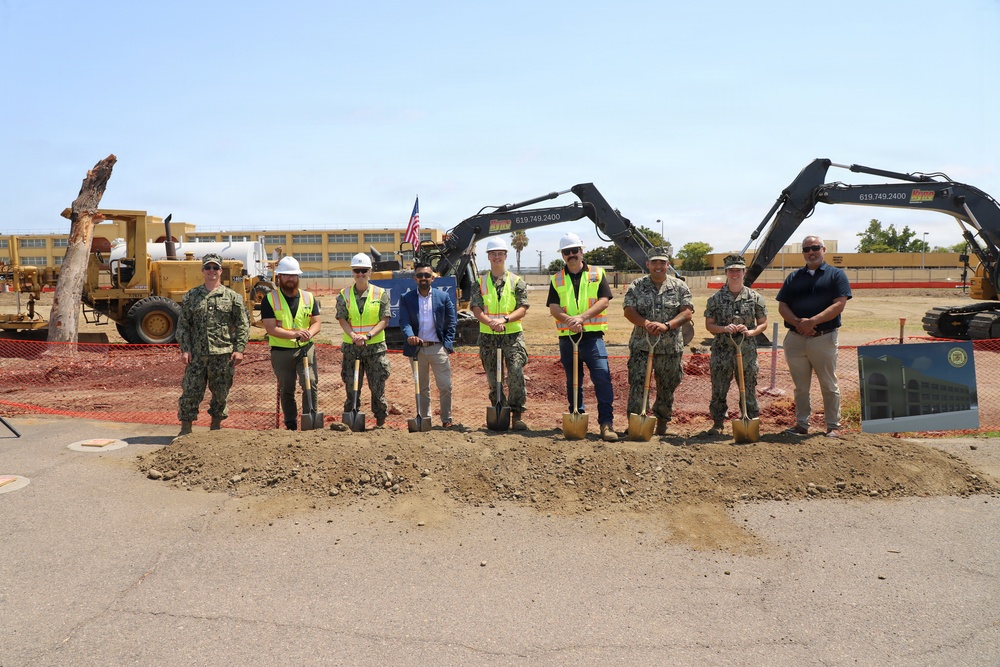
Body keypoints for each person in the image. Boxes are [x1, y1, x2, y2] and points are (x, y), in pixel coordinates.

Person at [776, 236, 852, 438]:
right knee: (801, 387)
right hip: (795, 339)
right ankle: (802, 425)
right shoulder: (794, 277)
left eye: (815, 248)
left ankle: (833, 426)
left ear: (823, 249)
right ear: (803, 252)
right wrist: (799, 324)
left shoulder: (836, 275)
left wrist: (812, 322)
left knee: (828, 384)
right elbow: (782, 305)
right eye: (807, 249)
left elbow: (839, 304)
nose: (811, 252)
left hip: (823, 338)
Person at [548, 232, 618, 442]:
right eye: (567, 252)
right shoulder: (556, 278)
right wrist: (570, 320)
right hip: (568, 339)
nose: (571, 255)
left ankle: (606, 424)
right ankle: (576, 417)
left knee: (603, 378)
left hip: (592, 337)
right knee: (573, 381)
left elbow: (604, 300)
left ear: (581, 250)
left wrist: (582, 318)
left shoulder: (597, 274)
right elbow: (553, 307)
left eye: (574, 250)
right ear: (562, 255)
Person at [622, 246, 694, 437]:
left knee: (667, 386)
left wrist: (667, 325)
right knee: (637, 384)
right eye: (654, 262)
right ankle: (636, 424)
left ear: (668, 265)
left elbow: (687, 312)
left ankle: (662, 424)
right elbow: (628, 310)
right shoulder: (637, 286)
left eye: (662, 262)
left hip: (670, 348)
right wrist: (646, 323)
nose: (658, 266)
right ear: (648, 264)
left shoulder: (679, 286)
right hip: (641, 346)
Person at [175, 253, 250, 436]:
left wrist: (239, 350)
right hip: (197, 356)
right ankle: (186, 430)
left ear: (220, 271)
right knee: (191, 392)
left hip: (222, 355)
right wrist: (185, 349)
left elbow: (242, 324)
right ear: (202, 271)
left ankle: (215, 429)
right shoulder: (192, 296)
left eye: (215, 267)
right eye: (208, 267)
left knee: (220, 394)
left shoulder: (233, 297)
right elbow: (183, 325)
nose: (212, 271)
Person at [703, 254, 768, 435]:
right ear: (726, 272)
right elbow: (709, 325)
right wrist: (724, 329)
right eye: (731, 271)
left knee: (747, 387)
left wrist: (751, 331)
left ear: (744, 272)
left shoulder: (755, 297)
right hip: (722, 351)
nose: (734, 274)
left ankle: (749, 420)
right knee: (719, 387)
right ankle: (717, 423)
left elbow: (763, 322)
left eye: (738, 270)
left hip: (746, 350)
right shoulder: (715, 299)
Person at [470, 237, 530, 430]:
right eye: (493, 254)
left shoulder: (517, 282)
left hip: (512, 336)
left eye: (500, 254)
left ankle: (517, 414)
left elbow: (522, 308)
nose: (497, 257)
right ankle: (500, 411)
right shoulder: (479, 283)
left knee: (515, 373)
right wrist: (490, 323)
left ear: (505, 256)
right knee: (493, 378)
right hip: (488, 336)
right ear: (488, 257)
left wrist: (504, 320)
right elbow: (477, 309)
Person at [260, 256, 322, 431]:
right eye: (286, 275)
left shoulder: (309, 298)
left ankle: (310, 420)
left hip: (305, 349)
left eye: (293, 275)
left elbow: (317, 323)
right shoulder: (270, 299)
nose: (290, 279)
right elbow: (271, 328)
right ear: (279, 277)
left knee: (310, 383)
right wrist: (295, 334)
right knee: (287, 388)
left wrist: (309, 333)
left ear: (298, 277)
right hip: (281, 352)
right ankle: (291, 424)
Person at [399, 262, 458, 428]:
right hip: (417, 349)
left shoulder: (443, 297)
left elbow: (452, 321)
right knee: (421, 387)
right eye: (420, 275)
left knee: (445, 385)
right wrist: (410, 336)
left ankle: (446, 419)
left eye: (426, 275)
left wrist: (447, 344)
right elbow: (404, 321)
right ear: (414, 278)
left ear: (433, 278)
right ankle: (425, 420)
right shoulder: (406, 298)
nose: (423, 278)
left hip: (437, 347)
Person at [336, 252, 391, 427]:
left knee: (377, 388)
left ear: (370, 272)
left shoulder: (381, 294)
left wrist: (367, 336)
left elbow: (384, 320)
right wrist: (353, 336)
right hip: (352, 349)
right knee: (352, 387)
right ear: (353, 272)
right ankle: (352, 419)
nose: (360, 274)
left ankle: (380, 421)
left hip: (374, 349)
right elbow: (342, 318)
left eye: (364, 271)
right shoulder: (343, 295)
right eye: (357, 271)